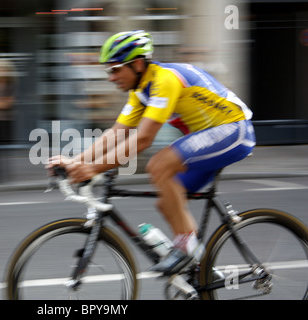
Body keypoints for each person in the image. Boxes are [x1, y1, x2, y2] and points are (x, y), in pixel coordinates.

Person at [47, 30, 256, 275]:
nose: (111, 78)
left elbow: (144, 138)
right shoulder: (140, 91)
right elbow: (116, 133)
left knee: (159, 165)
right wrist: (76, 161)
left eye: (114, 69)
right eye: (108, 71)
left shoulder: (164, 80)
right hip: (205, 140)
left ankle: (186, 247)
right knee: (167, 203)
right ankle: (200, 272)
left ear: (137, 64)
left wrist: (93, 168)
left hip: (233, 130)